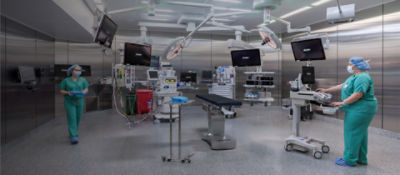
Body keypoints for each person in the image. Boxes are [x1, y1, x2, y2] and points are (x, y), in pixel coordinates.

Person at [317, 57, 377, 167]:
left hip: (361, 109)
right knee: (360, 133)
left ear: (357, 65)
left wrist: (342, 103)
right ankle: (360, 158)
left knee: (352, 133)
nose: (348, 66)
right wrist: (326, 90)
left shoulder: (362, 77)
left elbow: (358, 94)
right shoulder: (354, 76)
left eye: (350, 64)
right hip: (359, 108)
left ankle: (349, 160)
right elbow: (342, 85)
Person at [60, 64, 89, 144]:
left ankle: (73, 131)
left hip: (80, 101)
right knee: (72, 118)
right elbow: (61, 90)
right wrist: (68, 92)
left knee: (78, 118)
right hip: (69, 102)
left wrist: (84, 92)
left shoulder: (83, 80)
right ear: (71, 71)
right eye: (76, 70)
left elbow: (86, 88)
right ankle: (73, 136)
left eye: (79, 70)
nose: (78, 72)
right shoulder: (66, 80)